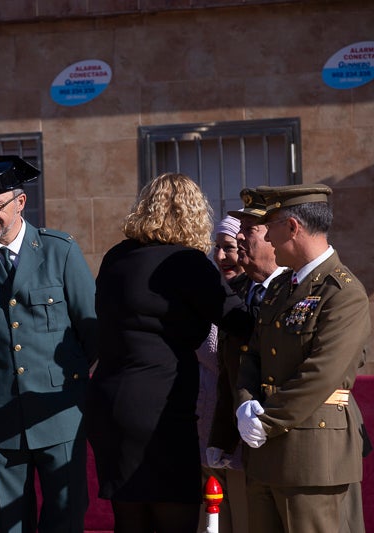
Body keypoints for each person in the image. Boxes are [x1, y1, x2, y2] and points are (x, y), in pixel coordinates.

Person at [86, 172, 252, 533]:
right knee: (173, 517)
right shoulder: (187, 263)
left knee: (129, 521)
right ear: (193, 214)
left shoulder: (116, 257)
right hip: (160, 409)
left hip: (109, 404)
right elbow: (239, 321)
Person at [0, 156, 97, 533]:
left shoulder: (59, 251)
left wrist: (67, 379)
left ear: (20, 203)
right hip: (0, 419)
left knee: (66, 519)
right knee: (9, 527)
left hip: (59, 414)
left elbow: (92, 330)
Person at [235, 184, 371, 533]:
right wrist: (245, 403)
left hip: (312, 456)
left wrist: (265, 422)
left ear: (293, 227)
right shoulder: (281, 288)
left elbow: (321, 373)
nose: (268, 237)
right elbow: (252, 353)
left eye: (272, 225)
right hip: (264, 454)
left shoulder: (343, 293)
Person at [195, 214, 249, 533]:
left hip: (241, 441)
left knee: (244, 521)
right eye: (216, 248)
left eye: (228, 248)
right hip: (204, 437)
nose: (219, 257)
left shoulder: (256, 298)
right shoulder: (208, 295)